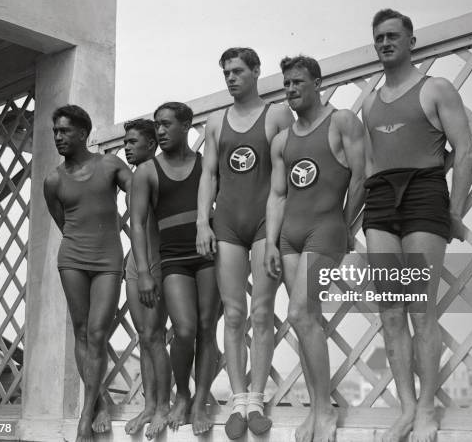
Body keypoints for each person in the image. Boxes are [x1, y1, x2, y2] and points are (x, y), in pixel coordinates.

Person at [361, 9, 472, 442]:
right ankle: (406, 408)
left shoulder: (436, 88)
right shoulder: (370, 102)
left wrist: (456, 211)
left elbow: (464, 152)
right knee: (391, 311)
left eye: (393, 36)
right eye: (379, 38)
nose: (385, 43)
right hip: (381, 199)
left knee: (420, 309)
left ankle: (428, 407)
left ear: (411, 40)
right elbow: (370, 164)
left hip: (425, 193)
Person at [265, 55, 366, 442]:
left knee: (300, 311)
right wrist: (272, 241)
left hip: (325, 228)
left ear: (317, 83)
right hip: (289, 235)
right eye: (286, 83)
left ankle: (325, 411)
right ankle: (315, 406)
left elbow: (360, 177)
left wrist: (346, 222)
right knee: (303, 319)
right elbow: (277, 194)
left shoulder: (341, 121)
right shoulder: (282, 140)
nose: (290, 89)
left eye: (297, 82)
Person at [196, 47, 294, 439]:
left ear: (256, 72)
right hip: (228, 225)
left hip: (263, 224)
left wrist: (273, 236)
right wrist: (204, 222)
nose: (231, 78)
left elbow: (282, 178)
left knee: (262, 311)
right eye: (226, 73)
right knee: (233, 314)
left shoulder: (276, 115)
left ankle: (257, 398)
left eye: (238, 71)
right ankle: (238, 400)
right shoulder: (215, 121)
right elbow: (208, 176)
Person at [130, 102, 221, 437]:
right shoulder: (148, 172)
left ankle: (199, 402)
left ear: (186, 125)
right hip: (172, 259)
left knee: (208, 327)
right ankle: (182, 396)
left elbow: (222, 205)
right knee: (184, 329)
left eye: (167, 124)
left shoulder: (205, 164)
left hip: (208, 254)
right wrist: (143, 271)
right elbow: (137, 224)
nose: (160, 131)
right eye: (157, 125)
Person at [43, 104, 131, 442]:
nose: (59, 137)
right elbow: (63, 223)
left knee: (97, 332)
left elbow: (140, 191)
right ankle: (96, 407)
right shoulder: (53, 180)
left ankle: (88, 410)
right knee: (81, 331)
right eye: (55, 132)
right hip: (73, 259)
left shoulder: (109, 164)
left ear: (83, 133)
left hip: (108, 258)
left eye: (64, 131)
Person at [121, 119, 172, 439]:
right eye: (125, 141)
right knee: (143, 335)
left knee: (155, 335)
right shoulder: (136, 175)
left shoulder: (155, 172)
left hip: (154, 263)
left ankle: (162, 406)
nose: (126, 146)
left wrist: (145, 273)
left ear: (151, 144)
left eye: (133, 141)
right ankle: (149, 404)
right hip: (135, 261)